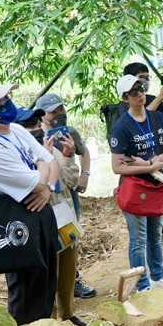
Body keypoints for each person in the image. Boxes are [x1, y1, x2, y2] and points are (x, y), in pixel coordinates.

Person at [0, 80, 59, 325]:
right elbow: (39, 172)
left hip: (41, 210)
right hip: (17, 223)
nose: (7, 103)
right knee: (26, 288)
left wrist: (47, 188)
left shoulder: (16, 130)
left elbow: (51, 164)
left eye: (6, 97)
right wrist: (42, 174)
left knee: (47, 280)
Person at [15, 107, 87, 326]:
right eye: (29, 126)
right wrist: (43, 164)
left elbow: (68, 182)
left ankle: (68, 314)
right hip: (39, 221)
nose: (35, 130)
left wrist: (66, 156)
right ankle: (51, 319)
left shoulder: (49, 149)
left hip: (64, 217)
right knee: (49, 274)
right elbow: (36, 186)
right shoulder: (16, 154)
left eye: (38, 125)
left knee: (67, 269)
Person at [110, 74, 163, 292]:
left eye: (142, 89)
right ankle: (141, 284)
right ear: (124, 98)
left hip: (158, 183)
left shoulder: (157, 118)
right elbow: (117, 166)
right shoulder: (122, 127)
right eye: (134, 92)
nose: (140, 94)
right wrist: (148, 166)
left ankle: (158, 277)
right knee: (138, 239)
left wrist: (155, 162)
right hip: (135, 187)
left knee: (155, 236)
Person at [35, 93, 97, 299]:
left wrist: (85, 174)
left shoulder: (68, 133)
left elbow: (84, 152)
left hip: (68, 196)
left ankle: (72, 283)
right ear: (42, 114)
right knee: (50, 244)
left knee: (70, 239)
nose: (59, 115)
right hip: (45, 198)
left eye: (61, 109)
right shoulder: (34, 137)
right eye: (53, 111)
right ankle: (49, 291)